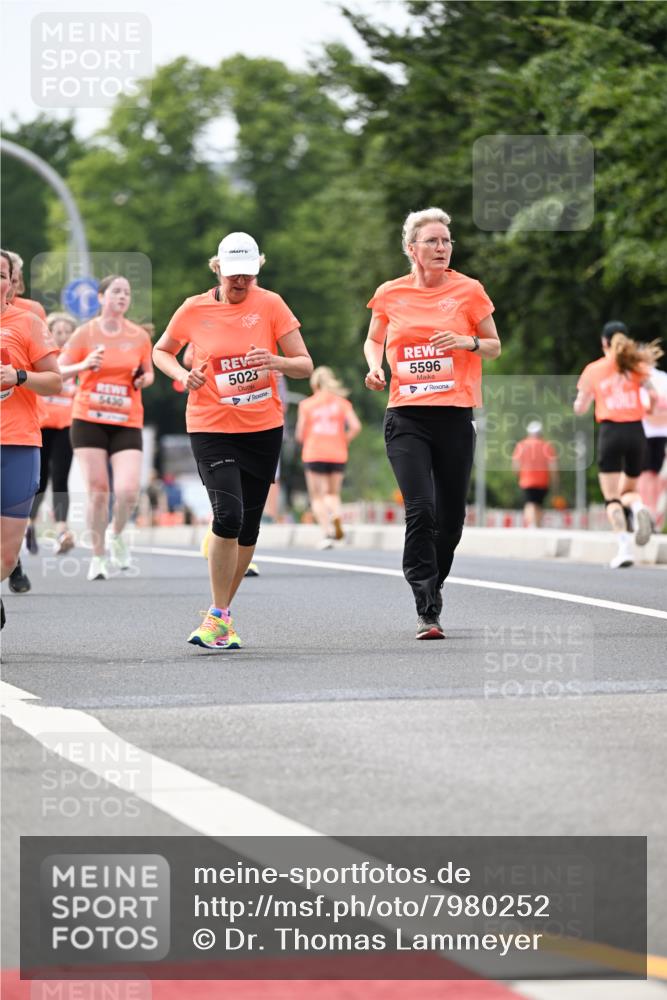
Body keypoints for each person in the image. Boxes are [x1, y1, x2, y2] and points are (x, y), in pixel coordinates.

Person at [153, 232, 313, 650]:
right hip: (210, 424)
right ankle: (219, 615)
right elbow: (162, 351)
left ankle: (220, 615)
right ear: (217, 268)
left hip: (262, 427)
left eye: (249, 274)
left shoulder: (271, 304)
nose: (241, 282)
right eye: (234, 274)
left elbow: (304, 365)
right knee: (228, 514)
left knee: (248, 529)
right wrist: (180, 375)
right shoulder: (194, 308)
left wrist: (275, 361)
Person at [364, 207, 501, 640]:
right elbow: (373, 339)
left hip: (454, 417)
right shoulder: (390, 293)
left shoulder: (469, 291)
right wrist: (374, 368)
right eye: (433, 241)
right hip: (406, 416)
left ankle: (433, 581)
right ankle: (427, 606)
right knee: (420, 509)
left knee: (451, 518)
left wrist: (467, 342)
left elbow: (495, 346)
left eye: (446, 241)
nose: (442, 248)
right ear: (412, 249)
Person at [59, 275, 154, 580]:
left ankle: (116, 532)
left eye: (126, 292)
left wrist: (143, 380)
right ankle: (98, 556)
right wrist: (83, 365)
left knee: (127, 490)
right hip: (88, 418)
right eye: (115, 291)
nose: (122, 297)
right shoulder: (85, 333)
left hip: (126, 418)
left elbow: (149, 372)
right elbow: (58, 370)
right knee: (98, 491)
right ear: (101, 297)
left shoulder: (139, 336)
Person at [0, 250, 62, 630]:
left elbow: (55, 380)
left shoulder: (28, 322)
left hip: (18, 443)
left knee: (7, 557)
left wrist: (19, 376)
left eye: (1, 274)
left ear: (11, 282)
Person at [574, 321, 661, 568]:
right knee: (628, 491)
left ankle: (624, 548)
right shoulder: (636, 366)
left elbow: (581, 407)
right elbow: (654, 397)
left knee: (612, 497)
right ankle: (639, 506)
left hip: (611, 432)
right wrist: (647, 409)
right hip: (636, 431)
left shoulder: (594, 369)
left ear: (603, 342)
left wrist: (580, 405)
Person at [26, 312, 78, 555]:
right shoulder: (43, 358)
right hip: (40, 424)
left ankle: (61, 530)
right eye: (58, 332)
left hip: (66, 426)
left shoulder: (78, 359)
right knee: (39, 480)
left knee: (61, 479)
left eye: (68, 332)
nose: (63, 336)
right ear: (49, 333)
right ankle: (29, 525)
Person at [296, 366, 362, 548]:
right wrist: (343, 440)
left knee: (317, 497)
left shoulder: (306, 405)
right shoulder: (342, 403)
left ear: (314, 384)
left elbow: (300, 434)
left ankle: (327, 533)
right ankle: (337, 515)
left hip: (314, 452)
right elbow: (356, 426)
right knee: (332, 493)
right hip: (337, 453)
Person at [511, 420, 559, 528]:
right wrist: (555, 480)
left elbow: (515, 464)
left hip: (526, 480)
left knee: (530, 503)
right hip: (543, 481)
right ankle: (537, 524)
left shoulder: (522, 445)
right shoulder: (547, 446)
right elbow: (553, 466)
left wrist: (518, 475)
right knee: (538, 504)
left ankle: (532, 525)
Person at [638, 365, 667, 529]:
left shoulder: (638, 379)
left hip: (646, 433)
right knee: (655, 477)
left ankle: (647, 512)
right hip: (660, 434)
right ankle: (654, 515)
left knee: (644, 476)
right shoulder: (663, 377)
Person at [6, 251, 48, 321]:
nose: (9, 287)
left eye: (14, 281)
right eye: (3, 278)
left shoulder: (33, 309)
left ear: (20, 281)